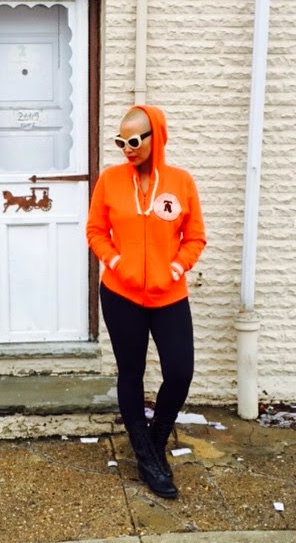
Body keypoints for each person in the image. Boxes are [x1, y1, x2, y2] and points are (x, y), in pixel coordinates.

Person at [86, 105, 206, 499]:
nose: (128, 148)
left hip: (169, 295)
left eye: (135, 140)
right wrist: (116, 262)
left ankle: (154, 443)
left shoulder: (181, 182)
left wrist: (176, 268)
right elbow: (95, 230)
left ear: (157, 135)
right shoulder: (110, 180)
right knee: (131, 373)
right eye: (121, 142)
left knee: (180, 372)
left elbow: (195, 237)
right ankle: (146, 456)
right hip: (121, 295)